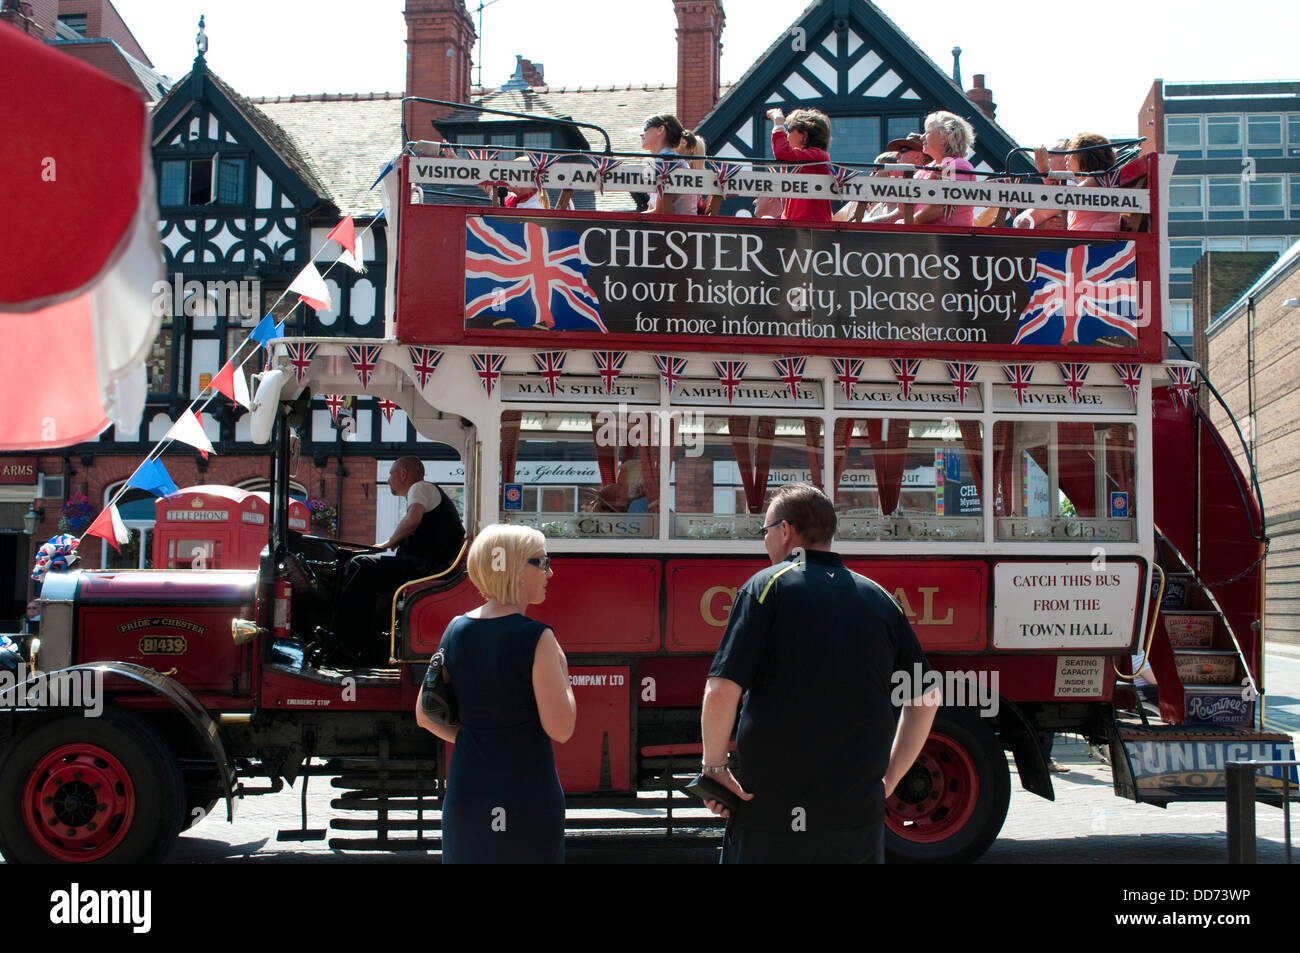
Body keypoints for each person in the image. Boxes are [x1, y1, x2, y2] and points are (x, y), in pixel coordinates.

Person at [699, 483, 940, 863]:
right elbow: (926, 699)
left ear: (784, 530)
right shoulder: (880, 598)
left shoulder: (764, 589)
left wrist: (714, 768)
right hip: (855, 818)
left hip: (771, 812)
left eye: (765, 532)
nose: (765, 543)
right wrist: (889, 781)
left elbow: (721, 690)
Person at [415, 525, 576, 863]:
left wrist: (477, 738)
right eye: (542, 562)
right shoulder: (537, 638)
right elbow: (561, 728)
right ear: (518, 570)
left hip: (468, 790)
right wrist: (561, 667)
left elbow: (425, 713)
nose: (550, 571)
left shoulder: (456, 629)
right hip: (526, 793)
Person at [329, 456, 465, 663]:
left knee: (363, 565)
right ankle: (360, 641)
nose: (388, 480)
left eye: (391, 474)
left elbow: (413, 520)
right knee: (363, 565)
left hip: (427, 568)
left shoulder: (419, 488)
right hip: (428, 565)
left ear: (403, 474)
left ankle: (345, 642)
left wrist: (388, 543)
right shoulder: (426, 493)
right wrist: (390, 542)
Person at [1017, 133, 1122, 232]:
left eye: (1071, 152)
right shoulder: (1100, 179)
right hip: (1087, 243)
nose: (1066, 157)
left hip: (1092, 244)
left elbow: (1066, 197)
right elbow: (1061, 199)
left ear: (1084, 156)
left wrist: (1045, 172)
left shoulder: (1100, 177)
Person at [894, 110, 976, 227]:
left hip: (945, 238)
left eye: (927, 132)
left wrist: (908, 222)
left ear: (945, 136)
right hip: (926, 236)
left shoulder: (955, 165)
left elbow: (938, 209)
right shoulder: (927, 169)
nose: (922, 137)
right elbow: (903, 206)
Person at [767, 107, 833, 222]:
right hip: (801, 224)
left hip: (810, 225)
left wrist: (778, 123)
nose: (786, 133)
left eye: (790, 129)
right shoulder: (811, 158)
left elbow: (782, 152)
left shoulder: (818, 155)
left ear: (804, 135)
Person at [640, 114, 702, 216]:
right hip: (674, 227)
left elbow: (659, 212)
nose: (641, 134)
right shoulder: (662, 162)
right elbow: (653, 208)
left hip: (679, 227)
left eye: (646, 127)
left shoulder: (668, 162)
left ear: (660, 130)